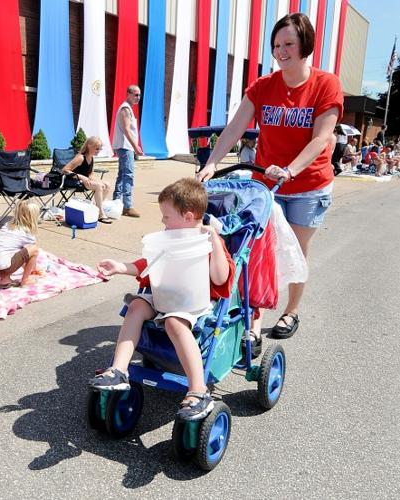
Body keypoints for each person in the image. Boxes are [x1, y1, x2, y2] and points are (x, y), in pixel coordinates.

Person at [197, 13, 343, 343]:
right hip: (265, 182)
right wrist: (212, 161)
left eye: (288, 44)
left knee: (297, 249)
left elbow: (321, 139)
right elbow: (235, 127)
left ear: (305, 45)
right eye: (276, 45)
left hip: (309, 184)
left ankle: (291, 310)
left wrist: (291, 169)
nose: (281, 51)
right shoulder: (264, 86)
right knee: (257, 249)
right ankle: (252, 320)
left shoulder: (325, 84)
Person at [90, 178, 235, 421]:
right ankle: (119, 370)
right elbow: (149, 264)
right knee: (135, 306)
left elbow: (220, 278)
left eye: (166, 217)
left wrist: (215, 244)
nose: (163, 222)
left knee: (174, 323)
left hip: (192, 300)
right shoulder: (168, 236)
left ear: (188, 217)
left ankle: (198, 390)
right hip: (163, 292)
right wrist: (120, 267)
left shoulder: (208, 240)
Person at [0, 201, 40, 288]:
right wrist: (33, 270)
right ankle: (25, 281)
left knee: (11, 251)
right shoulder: (27, 232)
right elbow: (30, 253)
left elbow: (20, 255)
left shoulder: (7, 225)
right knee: (34, 250)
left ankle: (5, 279)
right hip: (2, 269)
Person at [63, 136, 113, 224]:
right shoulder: (81, 158)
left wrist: (97, 180)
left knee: (107, 185)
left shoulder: (91, 157)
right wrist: (82, 177)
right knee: (98, 186)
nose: (98, 151)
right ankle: (101, 214)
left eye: (100, 149)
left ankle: (95, 208)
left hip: (85, 181)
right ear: (89, 146)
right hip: (74, 181)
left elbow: (90, 174)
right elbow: (65, 170)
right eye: (97, 149)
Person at [112, 85, 144, 218]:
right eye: (136, 95)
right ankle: (127, 206)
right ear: (128, 94)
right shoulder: (125, 108)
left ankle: (116, 202)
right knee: (128, 175)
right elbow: (126, 129)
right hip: (125, 147)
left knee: (122, 175)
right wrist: (135, 146)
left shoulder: (128, 108)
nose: (138, 98)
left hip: (126, 146)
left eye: (139, 95)